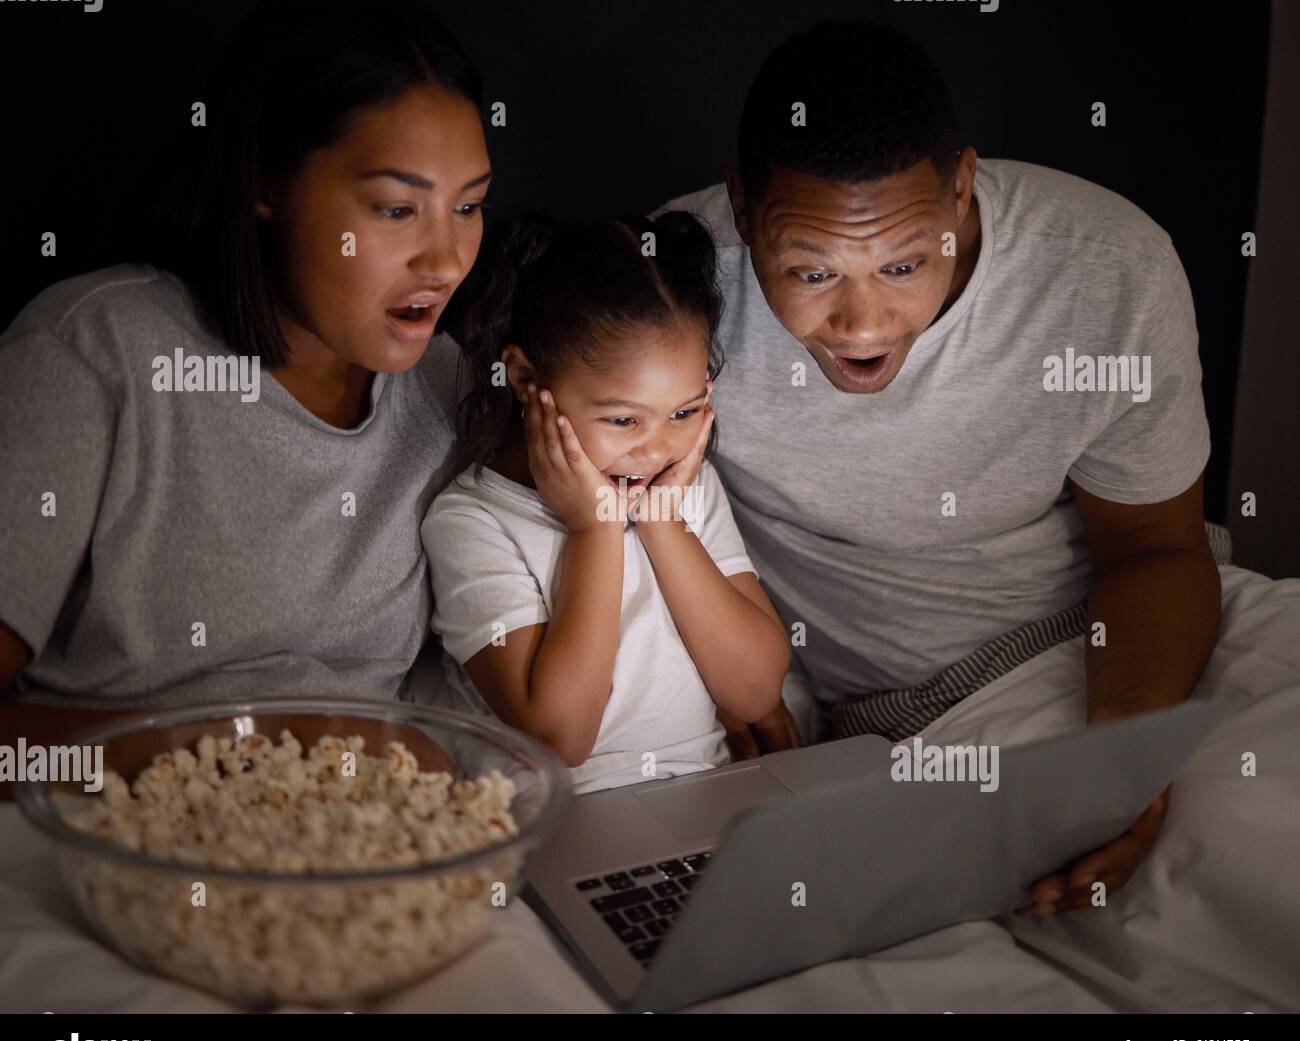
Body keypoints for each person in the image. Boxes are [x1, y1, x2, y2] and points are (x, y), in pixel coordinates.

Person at [655, 20, 1224, 913]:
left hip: (1125, 657)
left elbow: (1155, 546)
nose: (863, 324)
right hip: (894, 720)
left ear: (962, 188)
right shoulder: (673, 293)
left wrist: (1125, 750)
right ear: (740, 207)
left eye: (904, 262)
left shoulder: (1108, 269)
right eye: (809, 271)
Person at [0, 0, 490, 770]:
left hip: (371, 859)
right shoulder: (92, 350)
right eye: (397, 209)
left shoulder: (451, 384)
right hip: (102, 856)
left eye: (468, 206)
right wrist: (253, 749)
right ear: (266, 180)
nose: (447, 259)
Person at [424, 210, 791, 793]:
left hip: (702, 791)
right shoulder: (474, 521)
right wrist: (594, 531)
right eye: (623, 419)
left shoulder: (684, 490)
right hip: (556, 814)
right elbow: (560, 738)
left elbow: (754, 692)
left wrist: (663, 527)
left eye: (685, 412)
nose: (656, 449)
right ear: (524, 379)